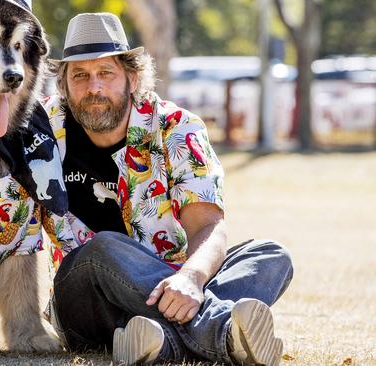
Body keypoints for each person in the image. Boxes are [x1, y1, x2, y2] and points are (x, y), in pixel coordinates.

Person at [40, 12, 293, 366]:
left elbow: (208, 225)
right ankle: (222, 333)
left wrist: (190, 277)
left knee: (270, 256)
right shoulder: (39, 133)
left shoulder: (177, 129)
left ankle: (161, 344)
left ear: (132, 77)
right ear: (63, 84)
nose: (93, 88)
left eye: (106, 74)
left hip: (175, 289)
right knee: (105, 246)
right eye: (80, 75)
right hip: (84, 301)